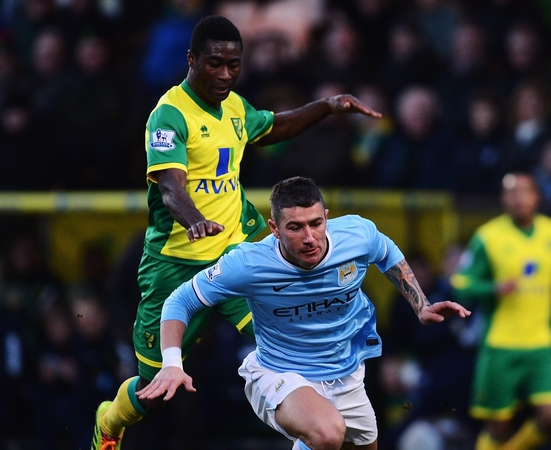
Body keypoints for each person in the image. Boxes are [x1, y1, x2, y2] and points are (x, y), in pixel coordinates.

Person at [91, 15, 382, 450]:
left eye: (234, 64)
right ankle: (108, 423)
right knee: (154, 392)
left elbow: (270, 127)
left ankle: (320, 434)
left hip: (239, 255)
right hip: (177, 265)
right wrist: (195, 222)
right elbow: (171, 188)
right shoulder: (169, 116)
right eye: (214, 64)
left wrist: (324, 107)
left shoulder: (234, 105)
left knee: (298, 344)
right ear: (191, 60)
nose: (225, 74)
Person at [136, 176, 472, 450]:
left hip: (347, 374)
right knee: (327, 433)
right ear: (275, 229)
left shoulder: (357, 234)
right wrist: (171, 363)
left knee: (349, 440)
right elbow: (180, 300)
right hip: (279, 372)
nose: (309, 237)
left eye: (315, 223)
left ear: (326, 217)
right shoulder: (249, 263)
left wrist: (421, 305)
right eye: (295, 228)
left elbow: (387, 253)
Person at [450, 172, 551, 450]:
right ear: (502, 199)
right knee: (498, 426)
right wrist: (492, 288)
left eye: (524, 191)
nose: (518, 197)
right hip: (500, 344)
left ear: (537, 196)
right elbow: (461, 284)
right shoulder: (488, 237)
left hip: (542, 343)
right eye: (511, 192)